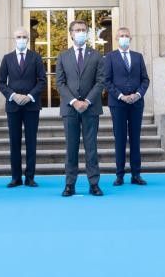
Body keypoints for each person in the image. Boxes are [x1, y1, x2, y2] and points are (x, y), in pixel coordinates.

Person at [56, 19, 105, 197]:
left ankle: (94, 184)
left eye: (83, 29)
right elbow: (60, 83)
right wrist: (74, 102)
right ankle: (70, 184)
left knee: (91, 147)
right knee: (71, 147)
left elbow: (101, 82)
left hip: (91, 109)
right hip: (70, 110)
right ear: (71, 33)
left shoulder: (97, 56)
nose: (80, 32)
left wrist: (87, 101)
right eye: (77, 30)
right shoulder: (62, 56)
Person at [0, 27, 46, 188]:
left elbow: (42, 81)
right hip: (13, 106)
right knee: (14, 142)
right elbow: (1, 82)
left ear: (28, 39)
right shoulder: (7, 58)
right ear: (14, 38)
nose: (21, 39)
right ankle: (15, 177)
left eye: (24, 37)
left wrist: (30, 96)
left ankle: (30, 177)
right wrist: (13, 96)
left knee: (31, 142)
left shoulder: (36, 57)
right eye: (19, 36)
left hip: (31, 106)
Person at [105, 27, 150, 186]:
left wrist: (137, 94)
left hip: (136, 103)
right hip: (118, 103)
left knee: (135, 138)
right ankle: (119, 175)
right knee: (120, 139)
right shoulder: (110, 57)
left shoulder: (138, 57)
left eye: (126, 36)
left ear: (130, 38)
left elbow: (145, 80)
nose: (124, 38)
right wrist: (121, 96)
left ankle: (136, 174)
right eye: (121, 36)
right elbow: (107, 80)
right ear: (117, 38)